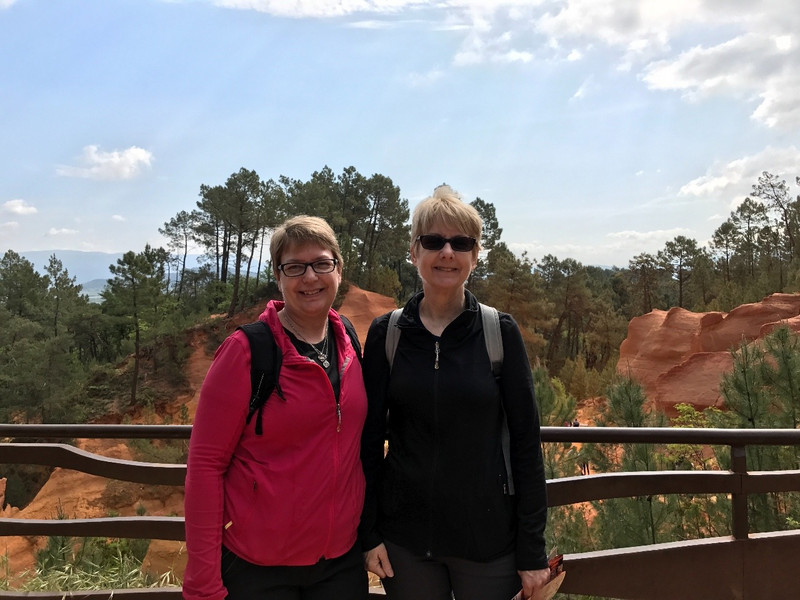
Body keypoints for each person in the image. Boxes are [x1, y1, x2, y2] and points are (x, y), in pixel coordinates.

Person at [360, 185, 551, 600]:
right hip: (405, 545)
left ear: (475, 255)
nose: (447, 252)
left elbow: (526, 445)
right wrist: (369, 533)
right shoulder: (386, 334)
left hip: (487, 544)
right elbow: (369, 442)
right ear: (414, 252)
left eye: (460, 243)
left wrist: (532, 550)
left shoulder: (499, 333)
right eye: (434, 241)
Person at [183, 215, 369, 600]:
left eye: (321, 263)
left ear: (338, 267)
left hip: (339, 562)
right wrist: (203, 581)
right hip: (260, 568)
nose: (310, 278)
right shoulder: (247, 351)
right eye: (295, 267)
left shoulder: (348, 339)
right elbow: (205, 466)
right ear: (278, 276)